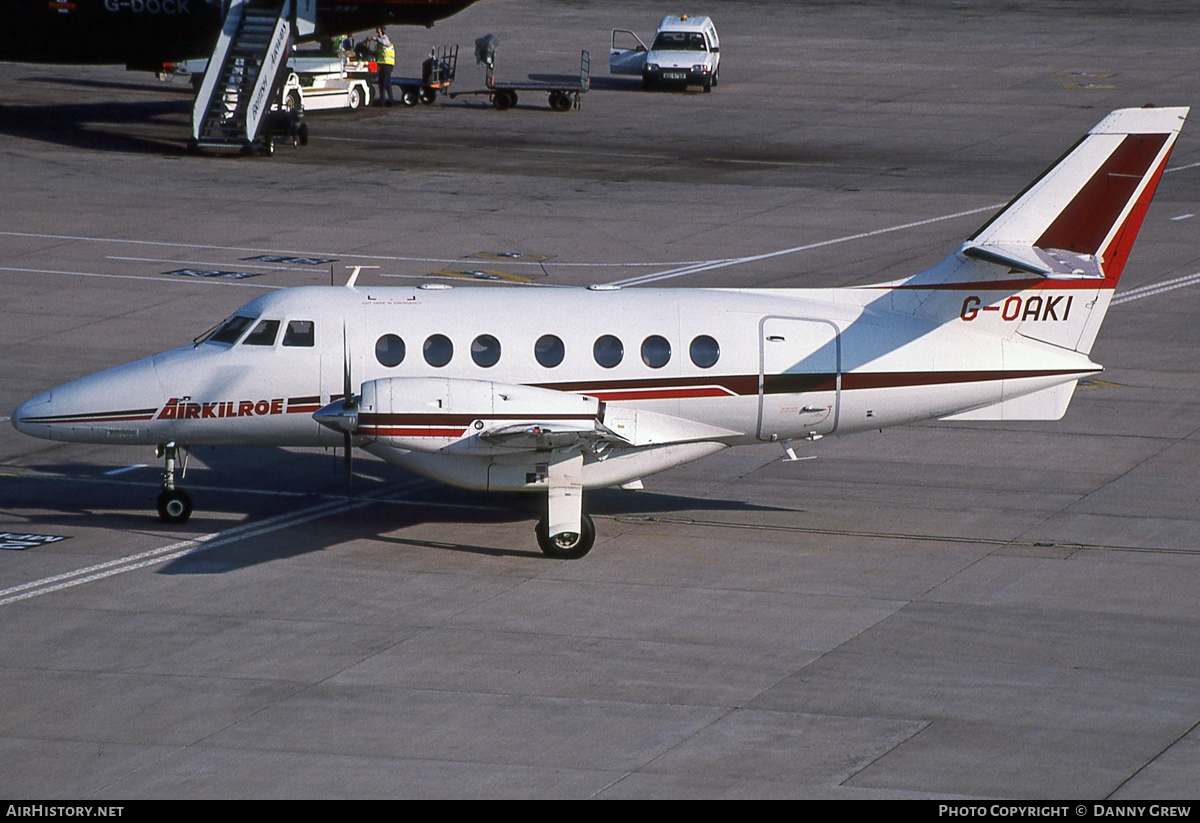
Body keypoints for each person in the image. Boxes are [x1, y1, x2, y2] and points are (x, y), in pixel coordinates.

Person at [367, 27, 395, 107]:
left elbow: (383, 42)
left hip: (387, 65)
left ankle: (382, 102)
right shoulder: (379, 45)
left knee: (382, 83)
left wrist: (373, 38)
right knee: (387, 84)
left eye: (378, 32)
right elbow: (376, 54)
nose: (377, 34)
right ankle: (391, 101)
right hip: (382, 65)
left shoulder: (385, 40)